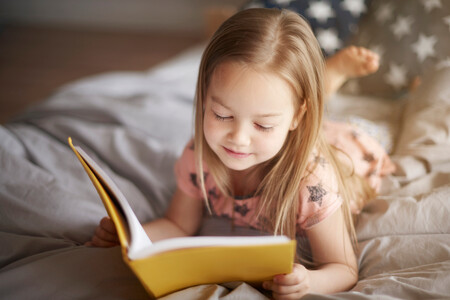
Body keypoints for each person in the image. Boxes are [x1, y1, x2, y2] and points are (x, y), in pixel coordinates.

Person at [85, 8, 395, 299]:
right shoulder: (200, 156)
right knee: (296, 113)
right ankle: (311, 95)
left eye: (262, 124)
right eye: (221, 115)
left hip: (351, 147)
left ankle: (330, 80)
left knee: (347, 127)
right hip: (296, 124)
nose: (238, 139)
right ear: (205, 97)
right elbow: (178, 225)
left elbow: (343, 269)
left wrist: (309, 281)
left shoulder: (314, 184)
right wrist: (130, 236)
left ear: (297, 118)